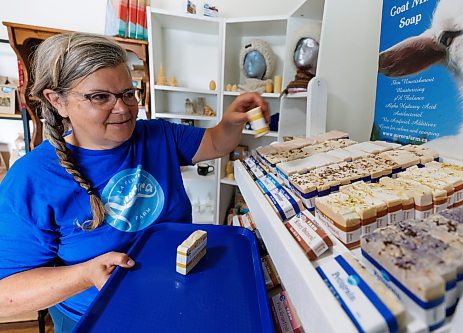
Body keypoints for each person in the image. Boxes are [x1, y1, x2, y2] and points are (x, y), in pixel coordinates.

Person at [0, 32, 269, 331]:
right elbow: (5, 295)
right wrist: (86, 274)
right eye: (100, 96)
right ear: (57, 101)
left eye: (129, 93)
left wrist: (231, 122)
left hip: (175, 295)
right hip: (98, 316)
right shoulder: (31, 179)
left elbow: (217, 144)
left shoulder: (158, 135)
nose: (124, 109)